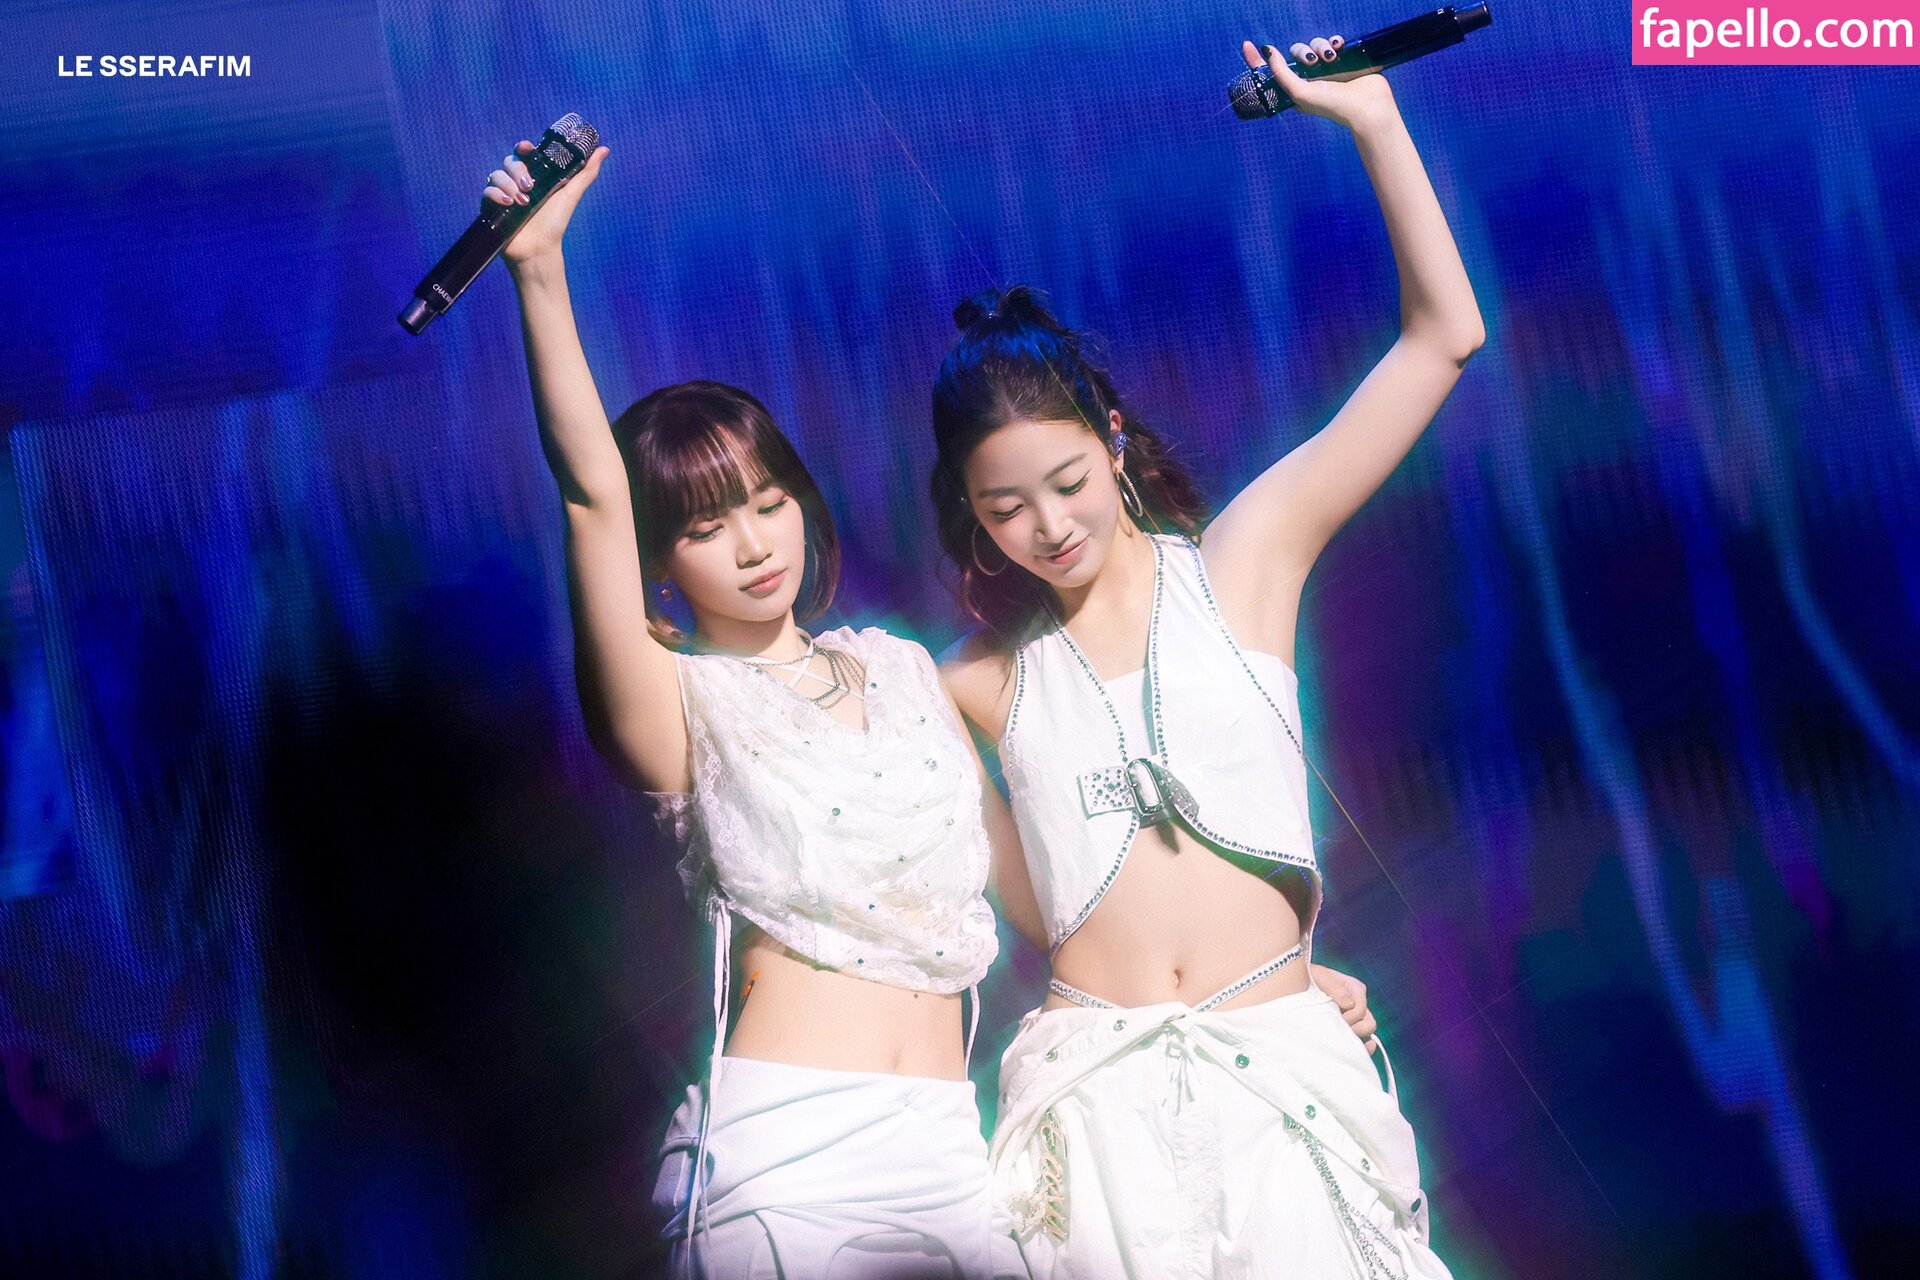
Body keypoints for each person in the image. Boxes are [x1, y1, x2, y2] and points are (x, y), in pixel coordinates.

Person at [928, 36, 1483, 1280]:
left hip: (1278, 1072)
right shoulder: (970, 681)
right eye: (1006, 508)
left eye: (1068, 480)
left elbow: (1443, 338)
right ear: (972, 515)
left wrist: (1373, 119)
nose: (1049, 525)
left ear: (1114, 442)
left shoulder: (1242, 561)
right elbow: (1041, 909)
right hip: (1093, 1099)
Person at [483, 138, 1037, 1279]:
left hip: (952, 1150)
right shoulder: (677, 702)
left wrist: (1268, 978)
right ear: (661, 562)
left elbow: (1043, 896)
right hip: (788, 1159)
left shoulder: (903, 671)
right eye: (703, 526)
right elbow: (591, 495)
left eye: (767, 501)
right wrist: (537, 268)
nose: (750, 545)